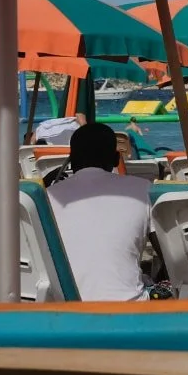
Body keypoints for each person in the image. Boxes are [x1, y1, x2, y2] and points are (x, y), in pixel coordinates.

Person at [45, 122, 153, 302]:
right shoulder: (143, 189)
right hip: (129, 309)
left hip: (65, 311)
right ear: (115, 158)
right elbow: (167, 255)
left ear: (71, 161)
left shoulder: (48, 197)